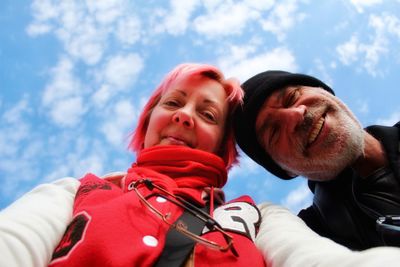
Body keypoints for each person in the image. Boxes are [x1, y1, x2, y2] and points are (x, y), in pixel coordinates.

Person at [0, 63, 265, 267]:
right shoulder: (73, 192)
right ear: (148, 120)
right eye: (173, 102)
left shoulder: (258, 218)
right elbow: (13, 242)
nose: (183, 115)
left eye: (207, 114)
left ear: (223, 144)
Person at [234, 70, 400, 250]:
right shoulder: (308, 239)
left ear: (323, 90)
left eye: (292, 97)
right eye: (274, 132)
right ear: (286, 170)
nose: (296, 115)